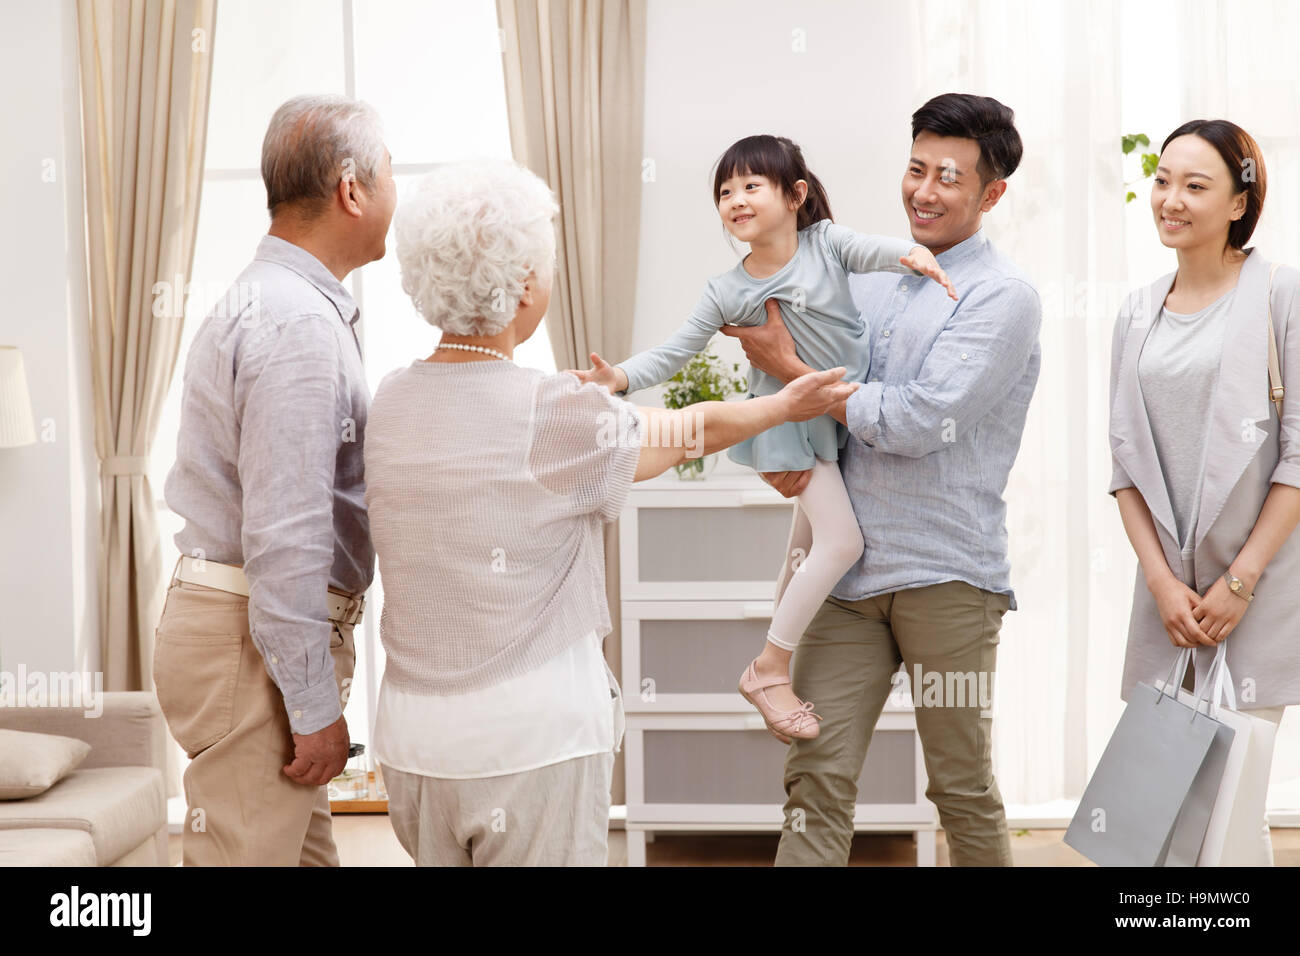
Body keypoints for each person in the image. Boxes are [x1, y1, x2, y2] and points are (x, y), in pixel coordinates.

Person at [364, 157, 859, 866]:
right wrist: (782, 405)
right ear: (525, 283)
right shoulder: (551, 410)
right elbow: (688, 431)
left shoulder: (390, 400)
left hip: (413, 745)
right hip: (530, 743)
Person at [721, 93, 1041, 866]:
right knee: (815, 781)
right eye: (915, 168)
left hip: (948, 578)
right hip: (848, 582)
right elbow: (820, 408)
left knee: (962, 787)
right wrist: (785, 446)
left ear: (993, 193)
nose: (923, 191)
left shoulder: (1003, 297)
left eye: (948, 177)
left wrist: (790, 368)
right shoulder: (866, 277)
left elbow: (917, 421)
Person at [569, 134, 956, 741]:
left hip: (833, 419)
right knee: (843, 543)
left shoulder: (825, 244)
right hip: (787, 425)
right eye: (725, 192)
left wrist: (913, 254)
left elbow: (870, 248)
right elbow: (675, 351)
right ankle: (769, 668)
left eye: (751, 185)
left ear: (795, 195)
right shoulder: (726, 289)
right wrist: (617, 377)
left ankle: (781, 663)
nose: (736, 200)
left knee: (803, 550)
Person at [154, 94, 396, 866]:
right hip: (254, 644)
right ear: (351, 189)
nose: (396, 194)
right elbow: (286, 535)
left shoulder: (281, 302)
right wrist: (314, 704)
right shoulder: (297, 323)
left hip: (250, 636)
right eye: (390, 174)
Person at [1108, 119, 1300, 865]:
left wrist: (1240, 582)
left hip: (1256, 585)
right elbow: (1124, 464)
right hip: (1170, 598)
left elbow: (1297, 458)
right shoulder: (1136, 311)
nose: (1171, 200)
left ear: (1238, 203)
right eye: (1163, 181)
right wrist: (1162, 583)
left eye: (1195, 185)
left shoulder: (1282, 295)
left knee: (1230, 807)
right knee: (1163, 822)